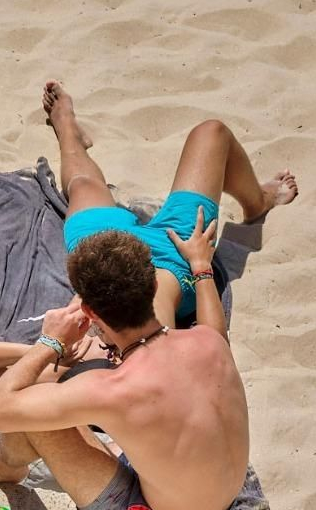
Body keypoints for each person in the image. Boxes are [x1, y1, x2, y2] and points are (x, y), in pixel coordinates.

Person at [0, 230, 248, 510]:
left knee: (32, 406)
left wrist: (50, 342)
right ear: (153, 286)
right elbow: (215, 326)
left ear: (90, 312)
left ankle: (7, 465)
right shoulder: (209, 341)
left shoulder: (112, 388)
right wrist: (201, 266)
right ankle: (4, 459)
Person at [42, 80, 296, 328]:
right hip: (175, 255)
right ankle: (258, 203)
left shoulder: (102, 322)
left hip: (105, 253)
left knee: (83, 184)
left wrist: (52, 343)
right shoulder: (153, 334)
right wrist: (201, 267)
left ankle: (68, 129)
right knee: (212, 133)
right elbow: (213, 338)